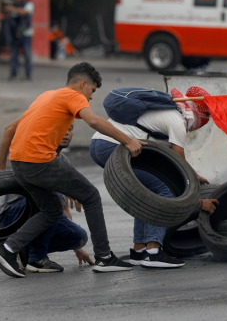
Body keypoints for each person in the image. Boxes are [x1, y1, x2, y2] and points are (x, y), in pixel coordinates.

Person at [0, 62, 145, 278]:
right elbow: (94, 121)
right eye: (91, 91)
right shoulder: (74, 96)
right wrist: (128, 140)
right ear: (83, 84)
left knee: (52, 210)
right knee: (91, 196)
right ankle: (104, 257)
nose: (90, 98)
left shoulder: (46, 96)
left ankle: (6, 250)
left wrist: (1, 167)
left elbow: (10, 128)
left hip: (18, 162)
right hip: (39, 160)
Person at [89, 86, 218, 269]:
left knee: (147, 194)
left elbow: (172, 166)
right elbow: (180, 171)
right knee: (161, 191)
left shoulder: (165, 113)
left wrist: (195, 176)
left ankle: (139, 250)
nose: (207, 121)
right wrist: (198, 201)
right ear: (199, 112)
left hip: (99, 144)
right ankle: (153, 252)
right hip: (111, 146)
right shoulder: (177, 121)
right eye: (208, 116)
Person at [0, 123, 94, 272]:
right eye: (62, 128)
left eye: (70, 129)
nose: (67, 133)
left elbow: (64, 208)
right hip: (13, 213)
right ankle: (37, 258)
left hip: (44, 210)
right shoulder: (35, 153)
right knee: (53, 197)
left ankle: (24, 250)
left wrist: (77, 248)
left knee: (78, 236)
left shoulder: (63, 162)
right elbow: (9, 129)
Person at [4, 0, 34, 81]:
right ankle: (14, 74)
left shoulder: (28, 4)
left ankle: (28, 74)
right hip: (14, 34)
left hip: (25, 34)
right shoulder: (13, 5)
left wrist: (11, 8)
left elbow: (25, 12)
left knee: (27, 55)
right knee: (14, 55)